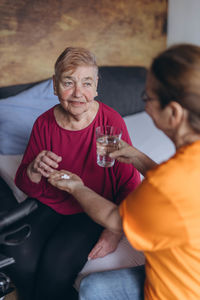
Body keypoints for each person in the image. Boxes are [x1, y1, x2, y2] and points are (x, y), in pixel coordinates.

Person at [48, 44, 200, 300]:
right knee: (93, 288)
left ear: (173, 112)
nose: (146, 106)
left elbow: (114, 218)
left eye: (147, 98)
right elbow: (182, 184)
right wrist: (136, 156)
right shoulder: (182, 168)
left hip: (180, 290)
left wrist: (77, 187)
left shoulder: (165, 184)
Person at [12, 47, 140, 300]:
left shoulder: (110, 122)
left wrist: (114, 231)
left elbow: (129, 183)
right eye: (68, 82)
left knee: (55, 267)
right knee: (19, 260)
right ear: (55, 85)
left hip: (92, 209)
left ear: (96, 87)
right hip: (49, 203)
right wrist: (34, 168)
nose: (78, 93)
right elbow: (27, 185)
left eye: (86, 82)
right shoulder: (44, 123)